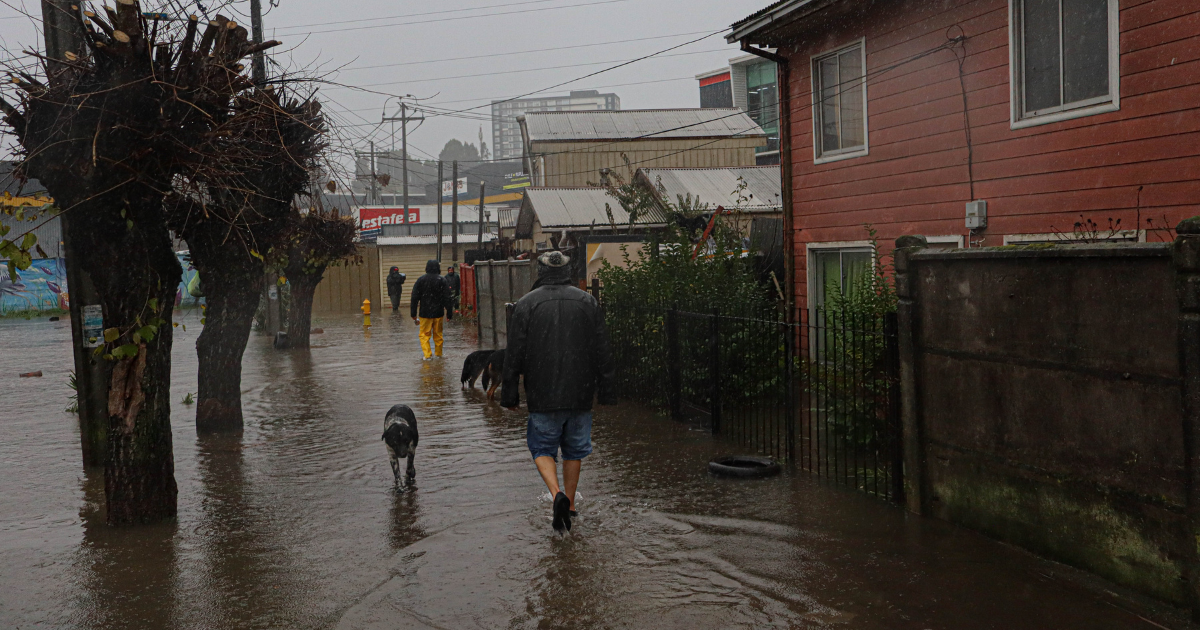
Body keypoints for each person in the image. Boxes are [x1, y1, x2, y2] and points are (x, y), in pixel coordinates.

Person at [502, 251, 616, 533]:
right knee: (574, 450)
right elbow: (603, 350)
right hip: (581, 391)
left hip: (542, 392)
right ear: (567, 271)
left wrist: (510, 395)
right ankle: (572, 506)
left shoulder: (526, 305)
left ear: (540, 272)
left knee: (542, 448)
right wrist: (608, 391)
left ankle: (556, 495)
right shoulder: (588, 302)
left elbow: (514, 353)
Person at [410, 260, 453, 360]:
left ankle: (427, 355)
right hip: (438, 313)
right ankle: (438, 355)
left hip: (425, 313)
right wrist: (449, 313)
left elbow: (414, 297)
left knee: (424, 335)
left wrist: (413, 313)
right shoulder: (442, 280)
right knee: (438, 335)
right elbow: (447, 297)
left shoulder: (421, 280)